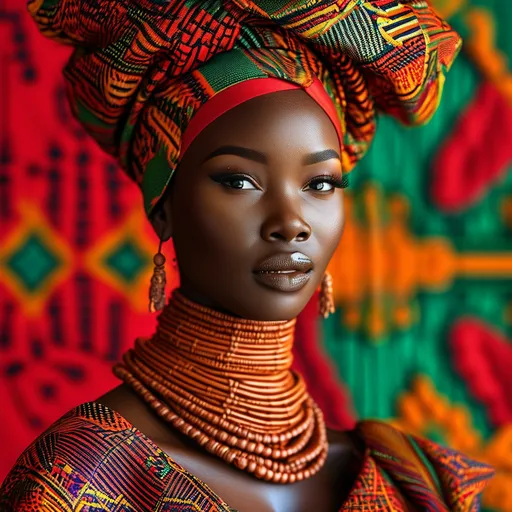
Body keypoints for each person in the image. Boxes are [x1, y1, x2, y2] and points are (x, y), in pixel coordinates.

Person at [0, 1, 494, 510]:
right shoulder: (84, 482)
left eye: (320, 183)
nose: (292, 221)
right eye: (239, 180)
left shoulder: (414, 486)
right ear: (163, 206)